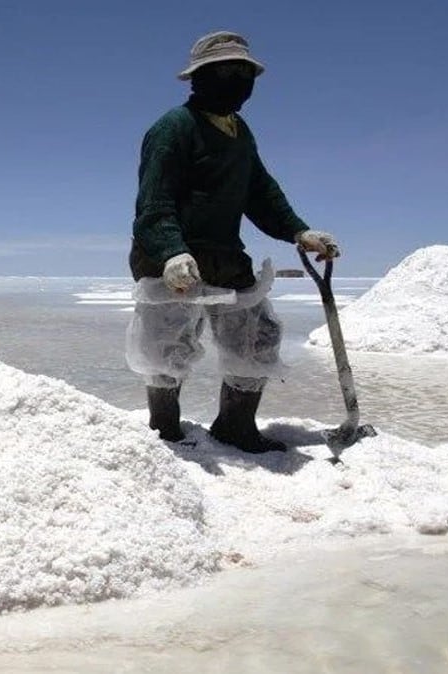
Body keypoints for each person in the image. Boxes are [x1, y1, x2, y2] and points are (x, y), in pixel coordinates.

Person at [127, 30, 340, 453]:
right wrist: (171, 252)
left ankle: (234, 426)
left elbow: (260, 192)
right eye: (227, 72)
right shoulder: (173, 128)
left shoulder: (239, 132)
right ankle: (164, 432)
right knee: (166, 348)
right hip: (172, 257)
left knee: (258, 337)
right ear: (199, 77)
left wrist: (299, 231)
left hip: (223, 256)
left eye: (245, 73)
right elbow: (154, 202)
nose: (239, 81)